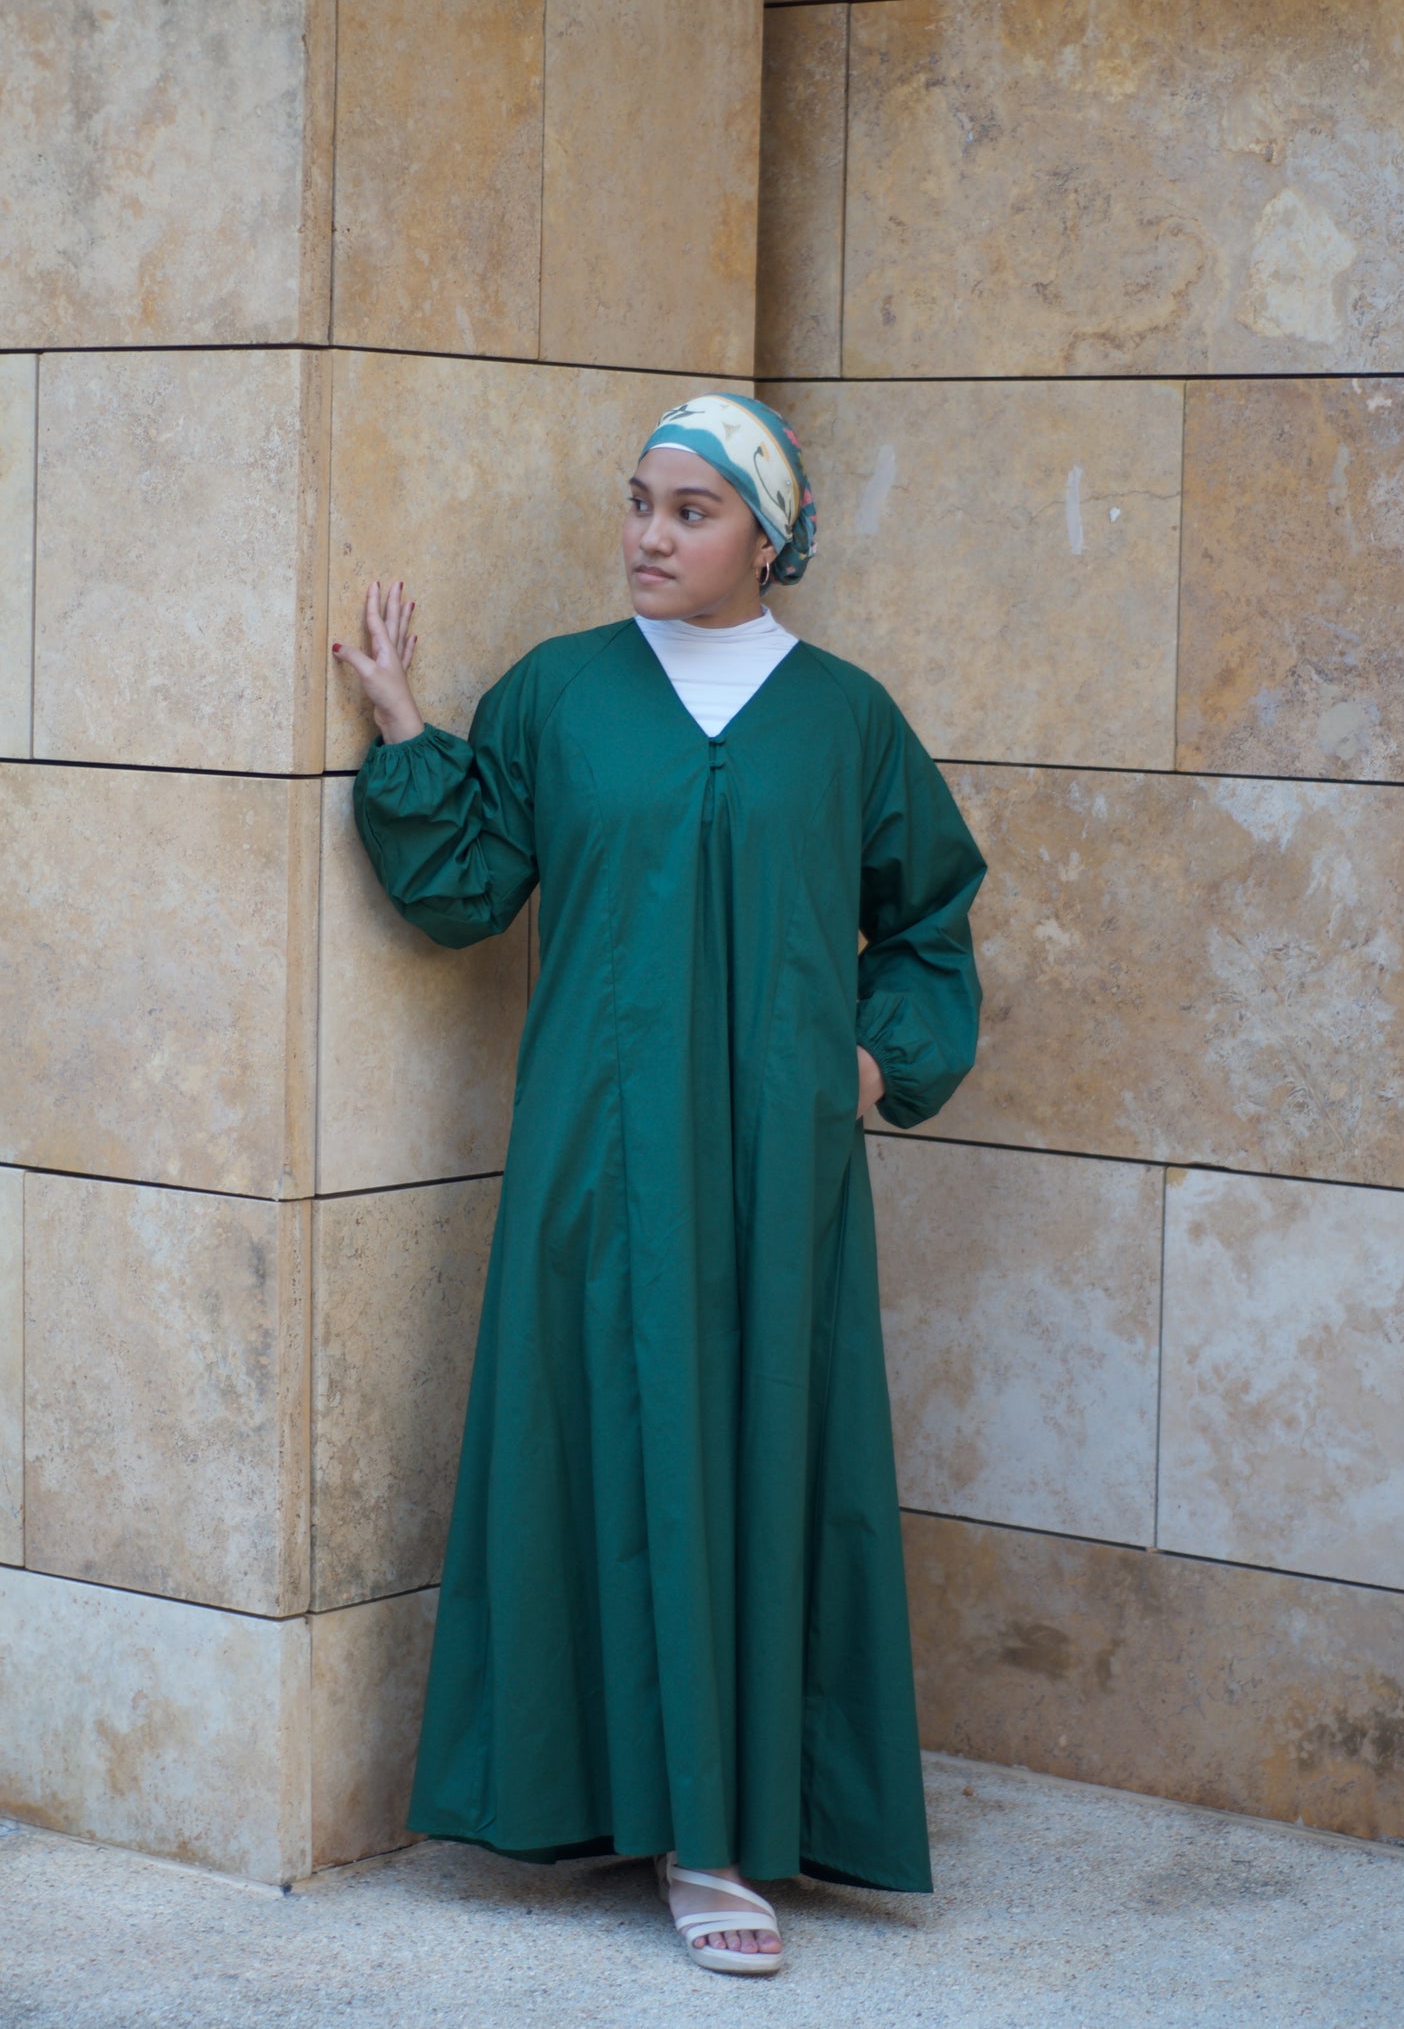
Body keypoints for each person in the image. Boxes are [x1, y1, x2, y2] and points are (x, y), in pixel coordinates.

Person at [333, 393, 985, 1976]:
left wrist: (866, 1064)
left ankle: (725, 1842)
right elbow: (473, 887)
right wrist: (410, 731)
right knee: (601, 1446)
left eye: (688, 511)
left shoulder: (844, 720)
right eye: (636, 501)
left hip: (781, 1166)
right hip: (595, 1153)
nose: (646, 533)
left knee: (754, 1452)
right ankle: (604, 1804)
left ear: (770, 533)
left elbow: (929, 917)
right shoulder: (560, 691)